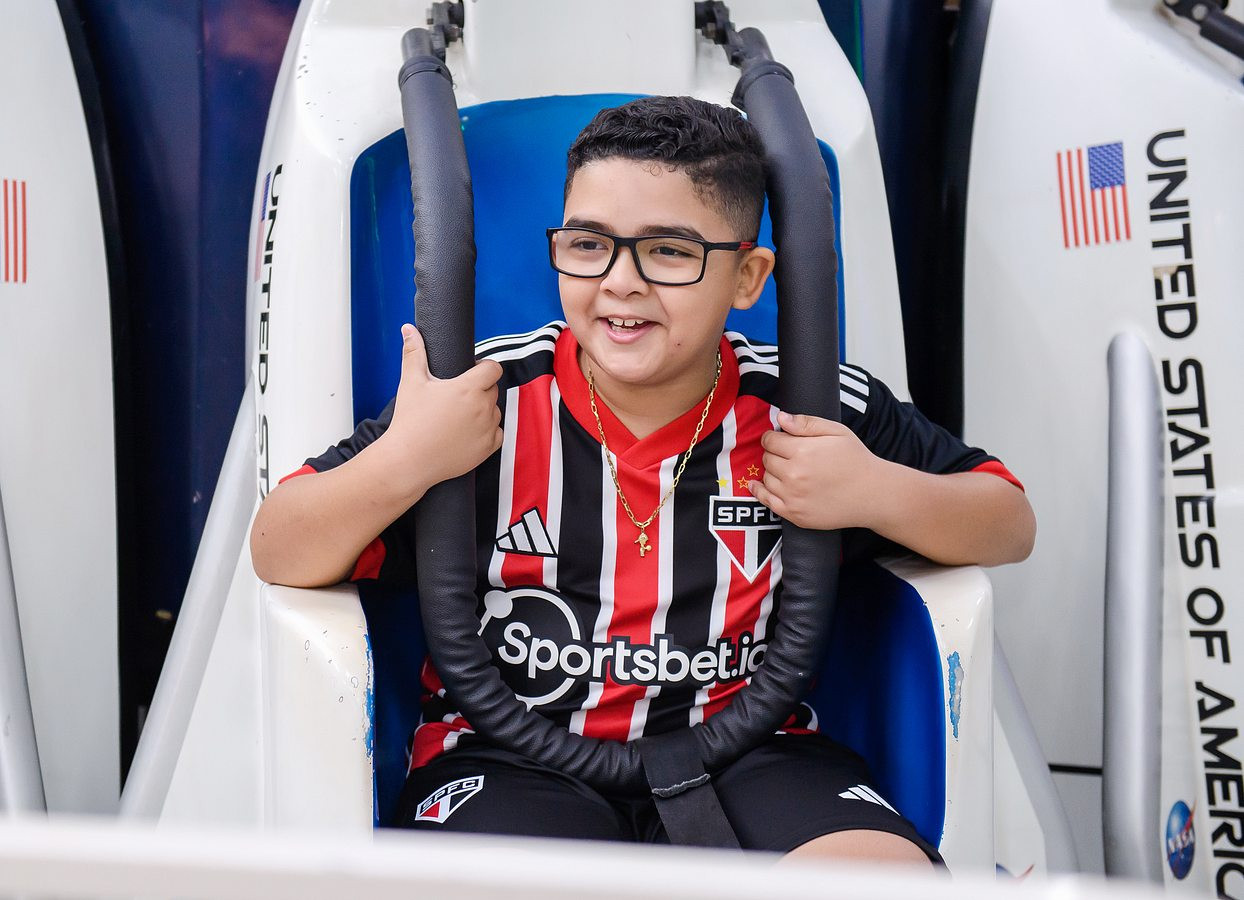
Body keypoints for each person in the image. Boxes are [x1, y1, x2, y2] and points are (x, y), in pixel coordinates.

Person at [250, 95, 1035, 866]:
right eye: (589, 244)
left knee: (880, 878)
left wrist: (873, 491)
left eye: (669, 252)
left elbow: (1007, 521)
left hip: (753, 751)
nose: (620, 282)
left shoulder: (813, 405)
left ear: (748, 276)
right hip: (507, 757)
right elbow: (279, 546)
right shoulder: (482, 399)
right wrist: (406, 460)